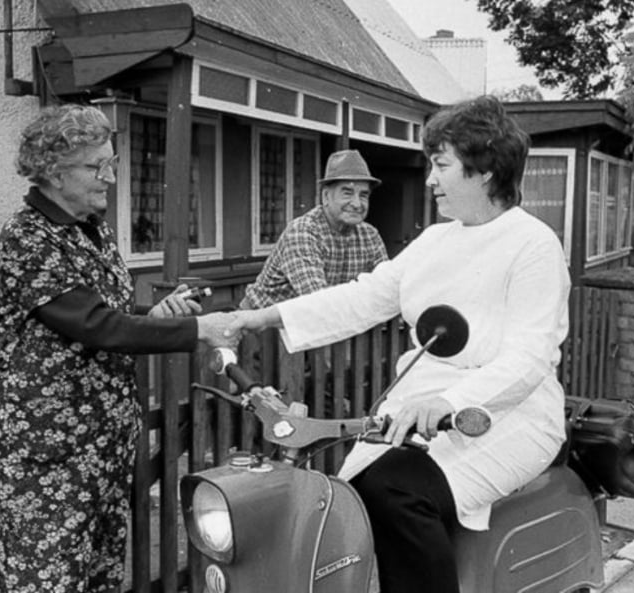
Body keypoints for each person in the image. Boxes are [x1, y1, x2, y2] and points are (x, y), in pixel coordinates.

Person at [226, 95, 571, 593]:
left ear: (485, 170)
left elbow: (531, 356)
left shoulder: (534, 244)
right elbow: (365, 297)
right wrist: (257, 316)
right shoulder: (436, 240)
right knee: (348, 499)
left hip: (506, 416)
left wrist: (450, 401)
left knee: (393, 493)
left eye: (441, 165)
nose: (430, 179)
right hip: (421, 409)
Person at [0, 104, 237, 593]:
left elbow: (108, 314)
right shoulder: (27, 239)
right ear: (52, 170)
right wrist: (201, 330)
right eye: (97, 167)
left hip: (95, 454)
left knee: (95, 578)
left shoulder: (92, 232)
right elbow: (97, 326)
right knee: (39, 580)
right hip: (42, 460)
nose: (110, 177)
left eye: (112, 163)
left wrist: (154, 317)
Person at [239, 149, 388, 309]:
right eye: (347, 193)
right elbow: (318, 301)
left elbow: (387, 286)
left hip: (308, 324)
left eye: (363, 195)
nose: (357, 203)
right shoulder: (303, 231)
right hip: (261, 323)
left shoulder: (369, 235)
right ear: (325, 197)